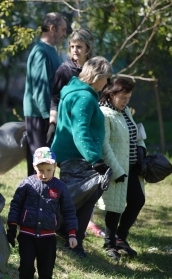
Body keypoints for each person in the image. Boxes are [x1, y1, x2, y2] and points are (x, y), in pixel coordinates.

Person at [51, 56, 113, 257]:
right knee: (86, 199)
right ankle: (75, 243)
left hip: (70, 154)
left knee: (75, 198)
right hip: (77, 156)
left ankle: (64, 231)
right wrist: (95, 159)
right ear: (98, 76)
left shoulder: (74, 90)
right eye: (107, 78)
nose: (108, 84)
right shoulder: (84, 97)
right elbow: (80, 132)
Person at [6, 147, 78, 279]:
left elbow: (68, 210)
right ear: (33, 167)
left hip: (48, 237)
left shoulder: (60, 187)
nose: (44, 174)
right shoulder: (26, 184)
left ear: (55, 167)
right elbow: (15, 206)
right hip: (27, 235)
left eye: (48, 170)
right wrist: (12, 228)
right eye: (40, 170)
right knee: (26, 267)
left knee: (46, 270)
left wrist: (72, 233)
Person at [49, 28, 103, 238]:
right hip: (70, 131)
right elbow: (56, 98)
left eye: (79, 47)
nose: (74, 51)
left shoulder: (95, 67)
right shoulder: (65, 69)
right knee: (73, 183)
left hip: (92, 130)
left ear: (88, 49)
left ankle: (81, 222)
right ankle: (65, 224)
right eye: (71, 46)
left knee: (90, 183)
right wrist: (53, 123)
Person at [97, 77, 146, 260]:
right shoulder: (104, 114)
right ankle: (110, 244)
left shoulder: (125, 111)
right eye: (123, 98)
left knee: (137, 200)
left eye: (128, 98)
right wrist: (116, 171)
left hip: (132, 166)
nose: (126, 102)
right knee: (115, 206)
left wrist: (141, 148)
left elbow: (136, 133)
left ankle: (120, 238)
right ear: (111, 94)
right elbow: (104, 145)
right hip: (117, 168)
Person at [23, 12, 66, 176]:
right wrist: (48, 119)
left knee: (46, 162)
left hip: (47, 115)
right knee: (40, 162)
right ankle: (34, 197)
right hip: (40, 116)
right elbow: (40, 90)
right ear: (52, 28)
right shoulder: (41, 52)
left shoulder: (50, 50)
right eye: (62, 29)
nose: (64, 34)